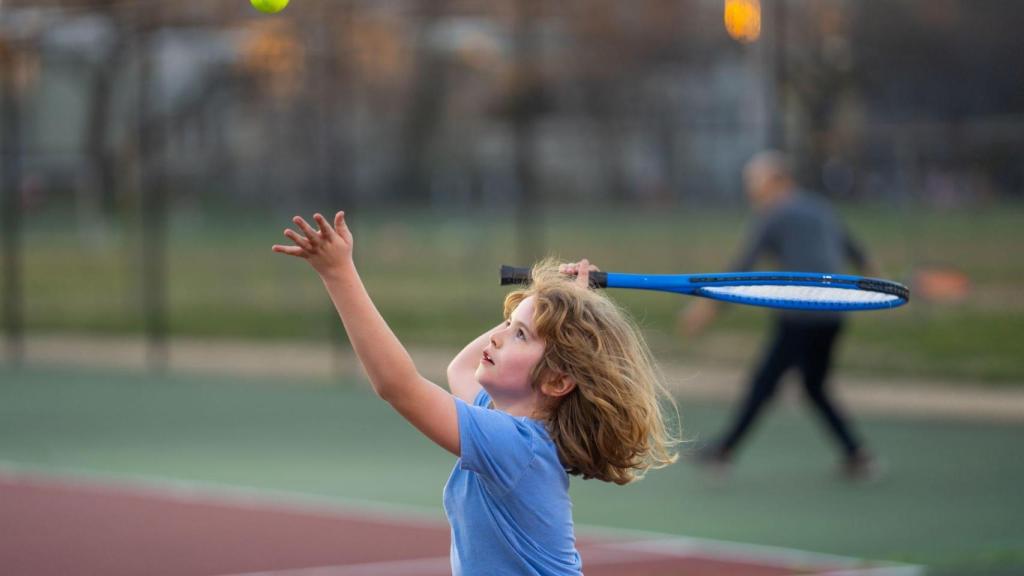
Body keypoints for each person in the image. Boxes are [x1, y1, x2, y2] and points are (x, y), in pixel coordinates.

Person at [273, 211, 678, 575]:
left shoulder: (515, 447)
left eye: (519, 334)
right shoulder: (505, 422)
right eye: (506, 323)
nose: (499, 337)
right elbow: (461, 368)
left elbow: (398, 386)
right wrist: (559, 298)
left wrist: (339, 273)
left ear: (556, 382)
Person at [680, 151, 879, 481]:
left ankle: (724, 450)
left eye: (754, 183)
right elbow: (855, 250)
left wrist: (705, 308)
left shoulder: (773, 214)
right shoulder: (819, 207)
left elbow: (742, 270)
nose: (751, 191)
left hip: (800, 313)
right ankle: (856, 453)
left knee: (765, 383)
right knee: (813, 385)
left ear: (776, 181)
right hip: (834, 311)